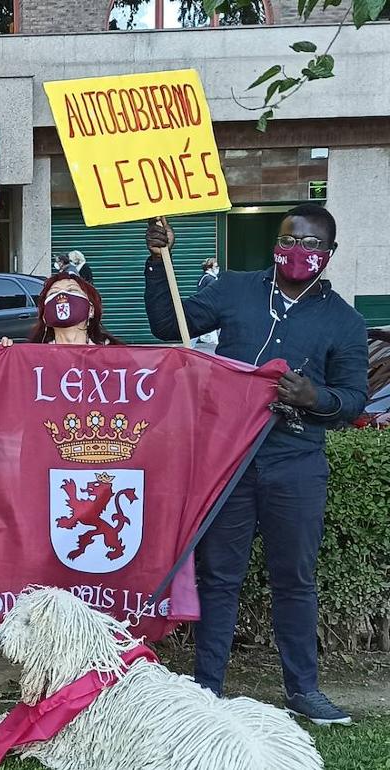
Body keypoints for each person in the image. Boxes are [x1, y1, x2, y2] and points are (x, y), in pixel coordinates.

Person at [144, 204, 367, 725]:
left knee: (295, 579)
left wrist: (318, 398)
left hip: (296, 463)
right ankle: (207, 688)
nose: (300, 252)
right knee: (220, 576)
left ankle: (303, 690)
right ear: (276, 242)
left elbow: (355, 398)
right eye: (291, 240)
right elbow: (166, 324)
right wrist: (158, 261)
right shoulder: (236, 289)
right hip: (231, 459)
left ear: (329, 255)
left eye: (313, 245)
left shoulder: (344, 321)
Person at [0, 272, 120, 347]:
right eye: (54, 292)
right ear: (44, 316)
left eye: (72, 290)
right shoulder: (30, 358)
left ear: (91, 310)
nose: (62, 296)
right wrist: (1, 357)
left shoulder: (116, 355)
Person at [195, 258, 220, 345]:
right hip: (208, 309)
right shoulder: (210, 280)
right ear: (209, 268)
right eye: (216, 266)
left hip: (202, 308)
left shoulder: (203, 278)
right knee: (213, 339)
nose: (218, 268)